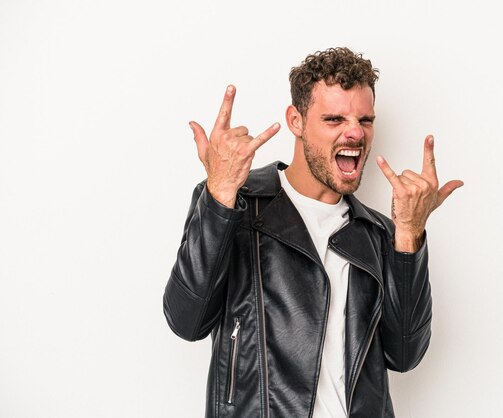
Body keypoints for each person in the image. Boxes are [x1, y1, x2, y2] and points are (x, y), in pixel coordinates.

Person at [163, 47, 463, 418]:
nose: (355, 132)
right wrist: (220, 195)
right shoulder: (236, 206)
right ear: (296, 120)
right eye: (335, 119)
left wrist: (409, 235)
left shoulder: (378, 233)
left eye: (365, 120)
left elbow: (404, 355)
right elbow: (186, 320)